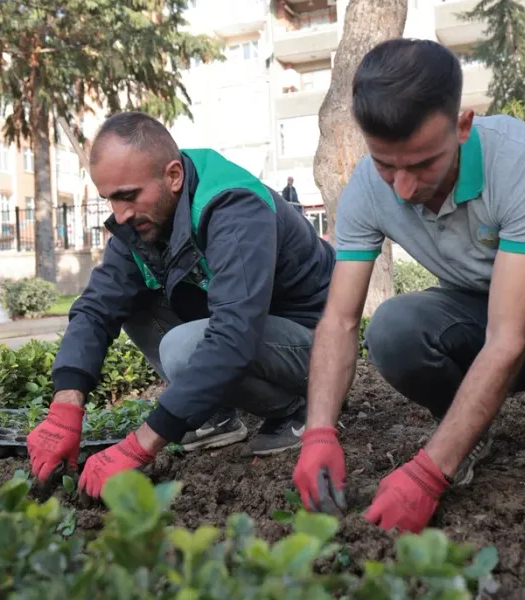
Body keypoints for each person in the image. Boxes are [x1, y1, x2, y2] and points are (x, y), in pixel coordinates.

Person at [291, 39, 525, 533]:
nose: (402, 187)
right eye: (386, 164)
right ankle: (467, 429)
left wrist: (428, 474)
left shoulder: (519, 159)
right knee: (393, 327)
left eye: (422, 163)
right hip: (477, 316)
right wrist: (318, 433)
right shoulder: (366, 188)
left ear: (462, 126)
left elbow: (509, 337)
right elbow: (339, 320)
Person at [26, 111, 336, 499]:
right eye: (110, 199)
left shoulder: (233, 207)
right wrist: (66, 404)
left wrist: (140, 444)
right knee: (131, 303)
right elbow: (96, 307)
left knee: (184, 346)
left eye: (128, 195)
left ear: (173, 176)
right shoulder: (148, 217)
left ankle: (296, 408)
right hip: (258, 332)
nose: (119, 214)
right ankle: (214, 414)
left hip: (315, 342)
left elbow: (233, 334)